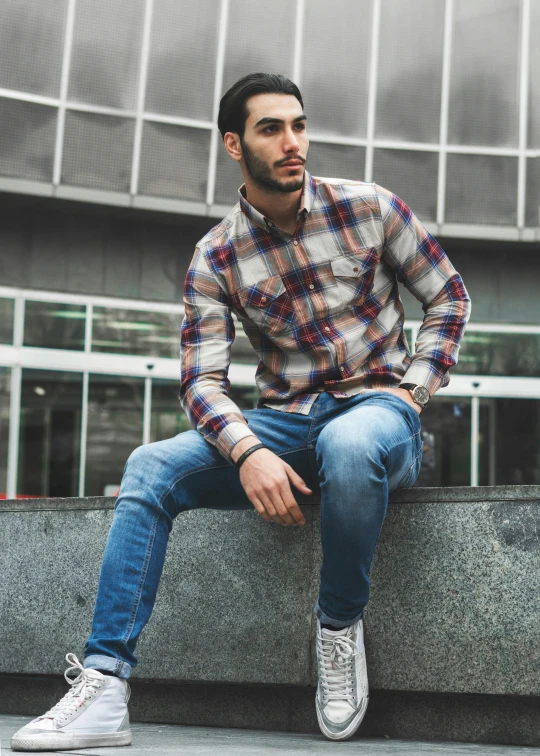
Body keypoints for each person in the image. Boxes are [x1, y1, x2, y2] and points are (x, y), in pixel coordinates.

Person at [11, 72, 471, 750]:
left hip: (378, 412)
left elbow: (449, 298)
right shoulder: (215, 256)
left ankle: (338, 629)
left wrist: (414, 391)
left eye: (300, 125)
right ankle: (105, 686)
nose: (293, 143)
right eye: (271, 128)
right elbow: (201, 382)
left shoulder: (370, 207)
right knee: (149, 467)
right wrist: (248, 450)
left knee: (349, 447)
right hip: (283, 424)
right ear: (234, 144)